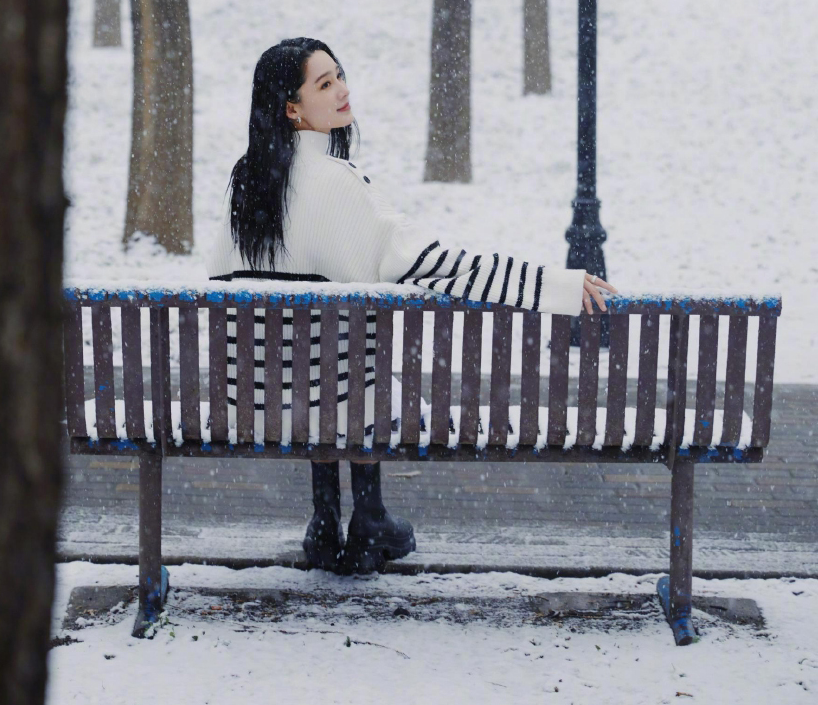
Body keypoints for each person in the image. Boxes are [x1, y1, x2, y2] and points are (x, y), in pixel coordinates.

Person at [208, 37, 615, 575]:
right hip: (341, 407)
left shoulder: (246, 186)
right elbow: (436, 264)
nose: (342, 90)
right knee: (348, 373)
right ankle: (369, 515)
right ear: (293, 109)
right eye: (324, 84)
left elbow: (221, 281)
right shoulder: (342, 184)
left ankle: (326, 519)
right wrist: (552, 285)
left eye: (340, 76)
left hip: (251, 410)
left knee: (312, 357)